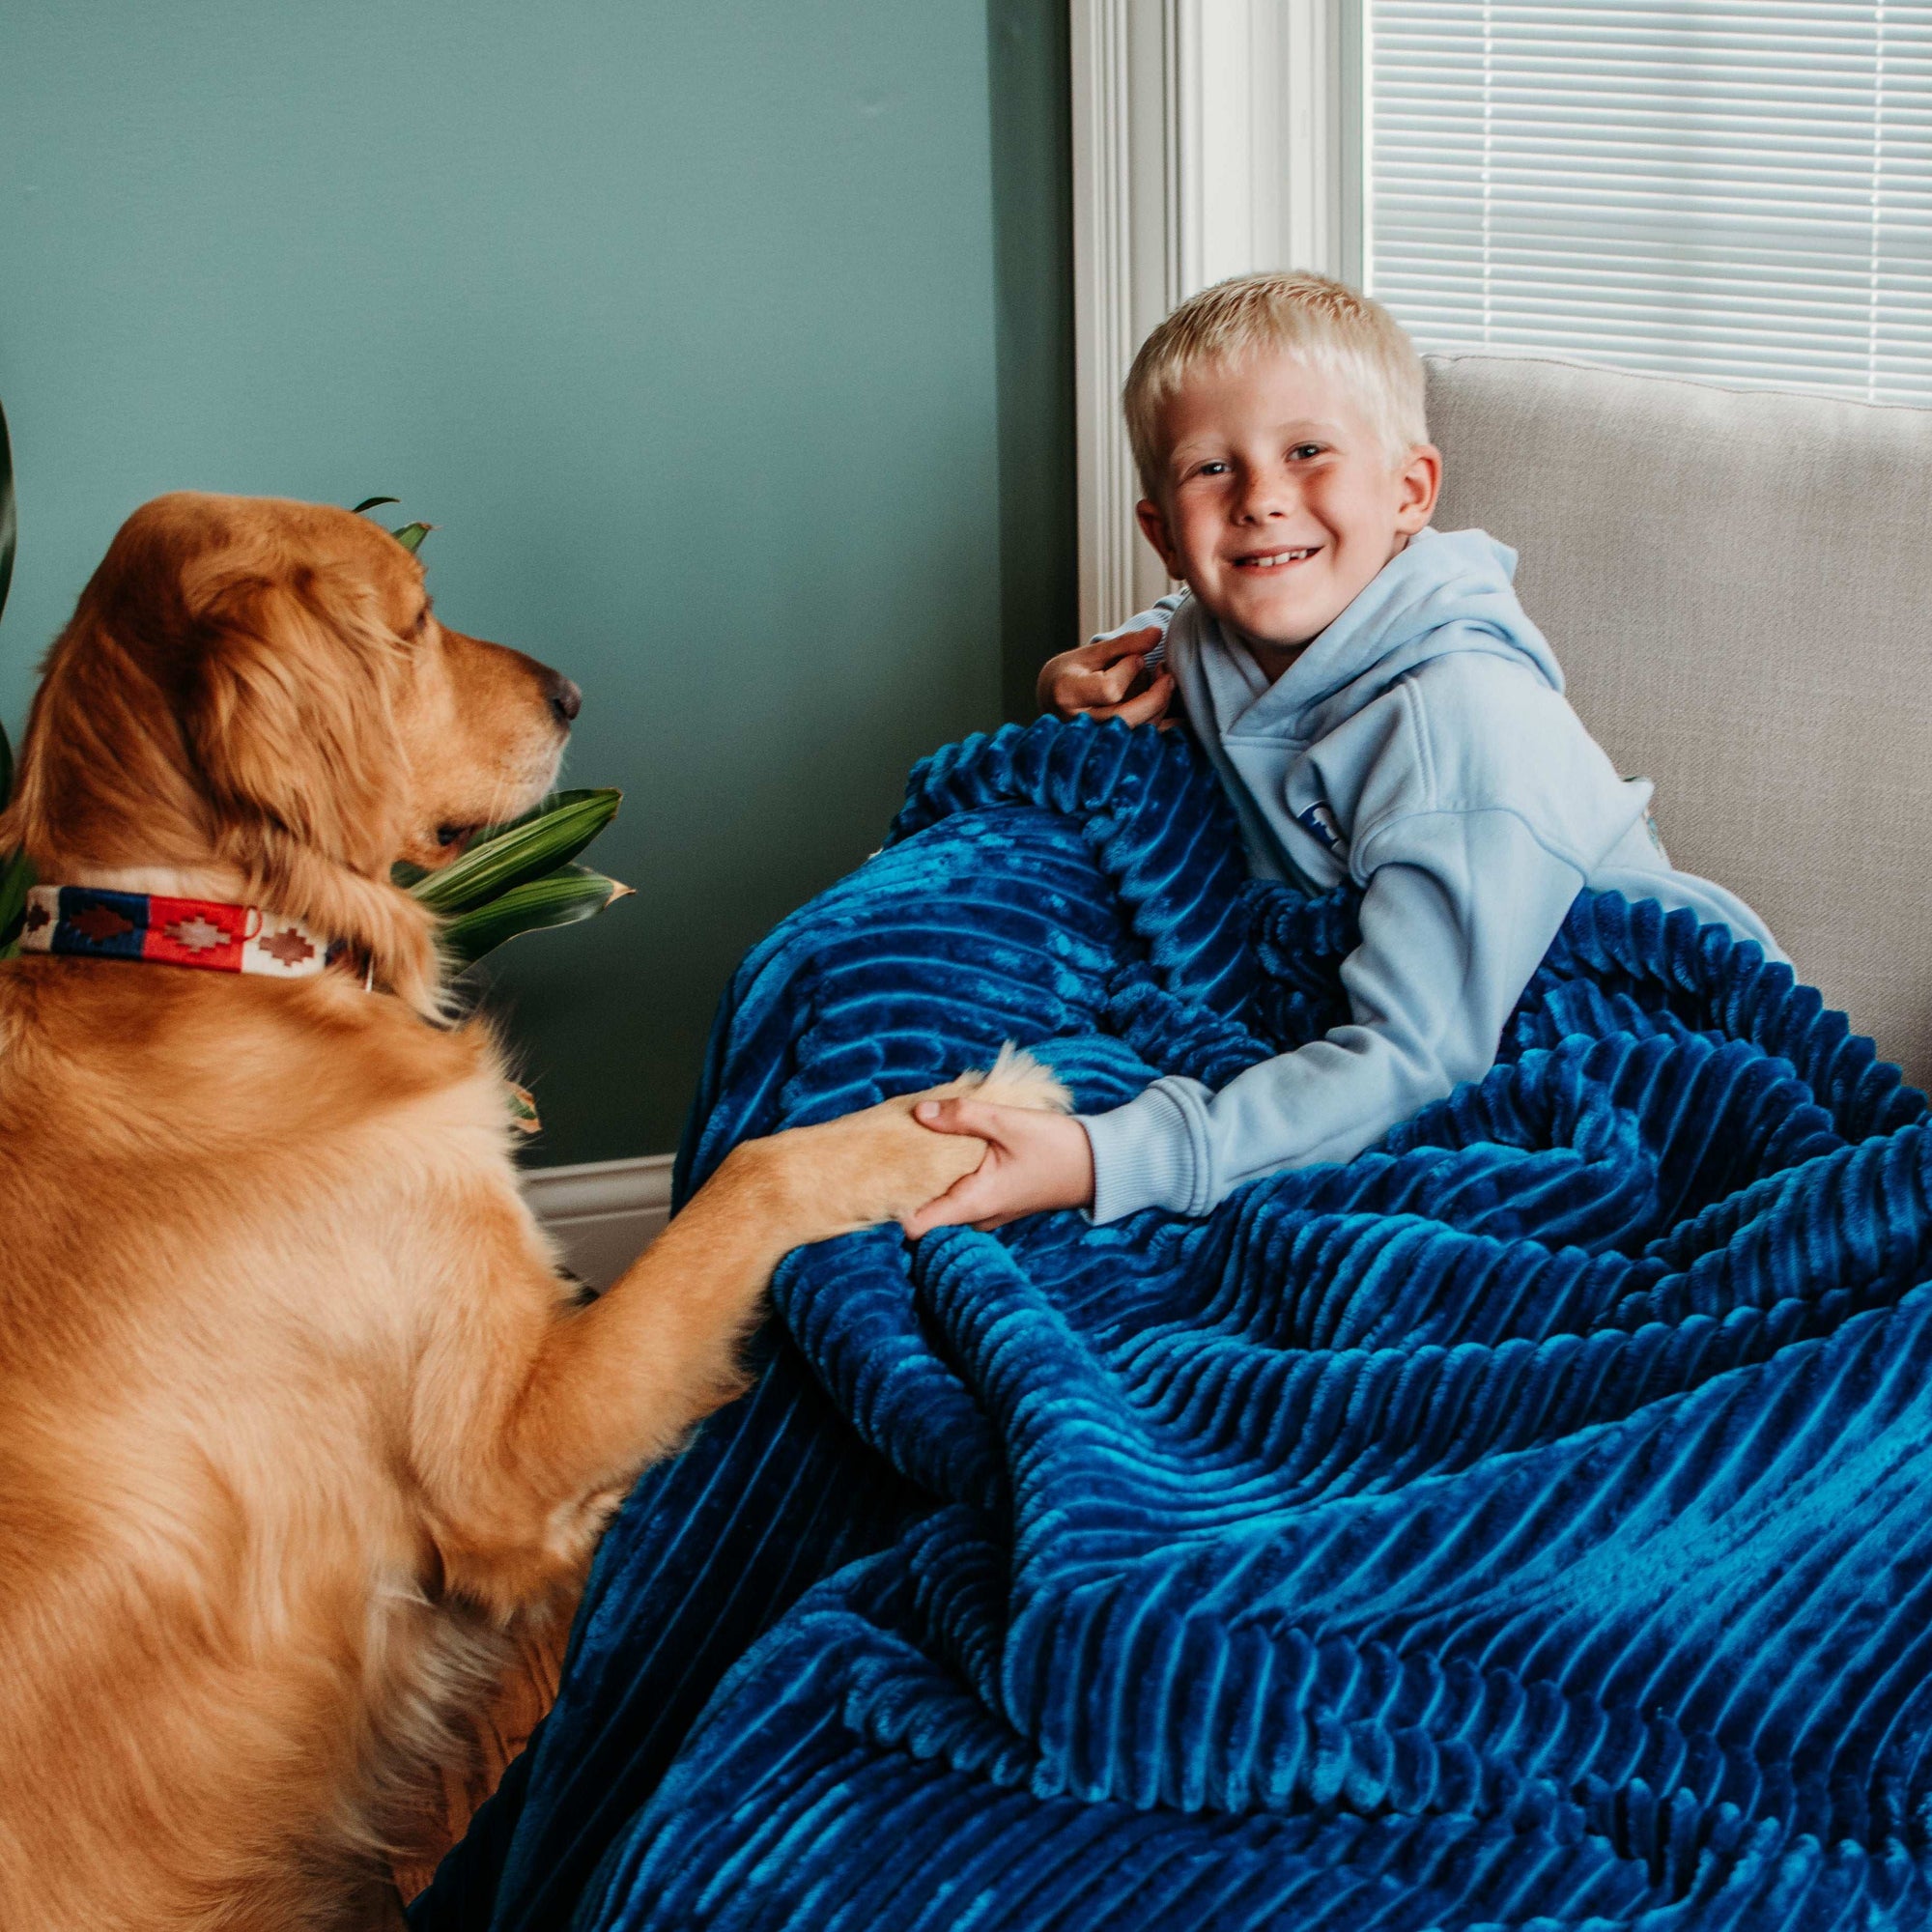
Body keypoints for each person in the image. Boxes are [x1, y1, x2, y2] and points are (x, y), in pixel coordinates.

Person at [903, 270, 1779, 1235]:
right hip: (1377, 999)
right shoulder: (1213, 634)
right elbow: (1179, 628)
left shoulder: (1456, 724)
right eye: (1209, 468)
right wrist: (1069, 683)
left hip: (1587, 1011)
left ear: (1409, 491)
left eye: (1306, 451)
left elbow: (1417, 1055)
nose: (1260, 500)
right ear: (1161, 531)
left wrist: (1113, 1154)